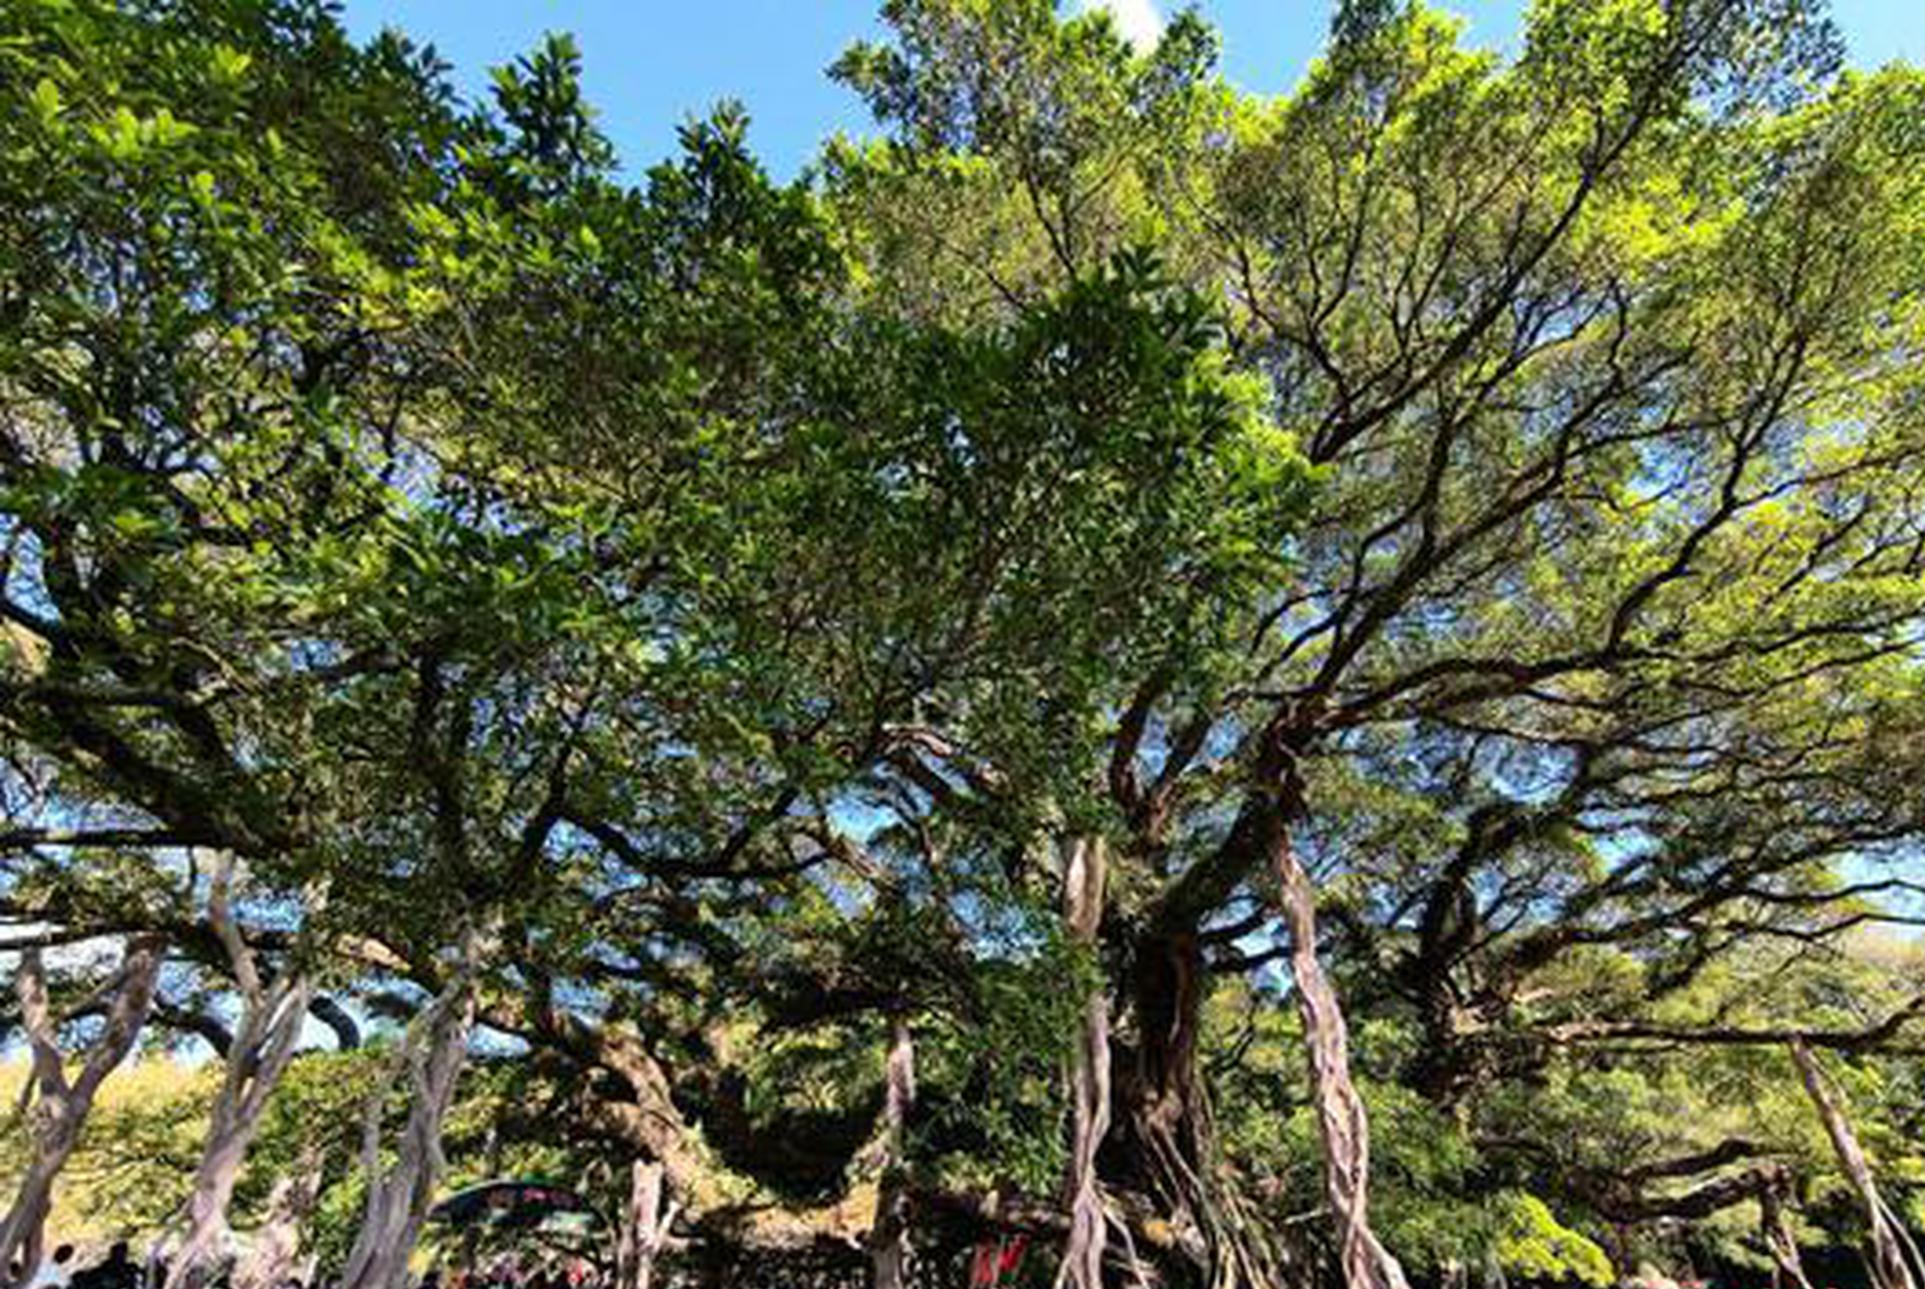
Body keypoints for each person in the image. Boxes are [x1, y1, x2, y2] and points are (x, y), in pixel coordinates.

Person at [69, 1243, 137, 1289]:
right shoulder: (106, 1268)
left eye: (122, 1254)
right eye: (117, 1253)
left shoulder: (129, 1268)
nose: (120, 1256)